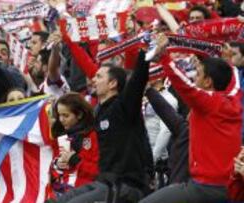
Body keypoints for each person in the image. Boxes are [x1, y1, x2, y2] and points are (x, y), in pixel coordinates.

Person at [140, 34, 242, 203]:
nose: (195, 77)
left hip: (206, 188)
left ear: (208, 82)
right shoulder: (234, 99)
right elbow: (235, 78)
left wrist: (165, 57)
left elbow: (184, 85)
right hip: (227, 187)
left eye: (199, 74)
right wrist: (228, 59)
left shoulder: (210, 102)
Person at [48, 50, 153, 203]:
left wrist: (145, 52)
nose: (93, 80)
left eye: (99, 77)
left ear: (112, 83)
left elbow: (138, 80)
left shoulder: (124, 107)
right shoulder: (99, 111)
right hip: (103, 181)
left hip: (125, 185)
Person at [46, 92, 99, 199]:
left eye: (65, 115)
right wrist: (56, 164)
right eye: (59, 115)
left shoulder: (92, 136)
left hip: (81, 193)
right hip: (56, 191)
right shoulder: (59, 136)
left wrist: (76, 161)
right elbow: (47, 166)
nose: (61, 120)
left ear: (79, 114)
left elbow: (97, 172)